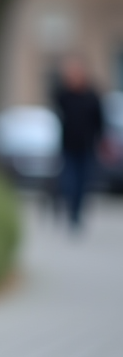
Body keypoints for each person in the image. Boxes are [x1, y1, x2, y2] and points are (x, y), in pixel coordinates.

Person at [52, 56, 104, 232]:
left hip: (87, 146)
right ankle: (68, 209)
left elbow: (99, 121)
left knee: (83, 183)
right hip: (68, 146)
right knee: (69, 181)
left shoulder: (92, 96)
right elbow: (55, 106)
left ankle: (76, 214)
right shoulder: (64, 95)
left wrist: (101, 141)